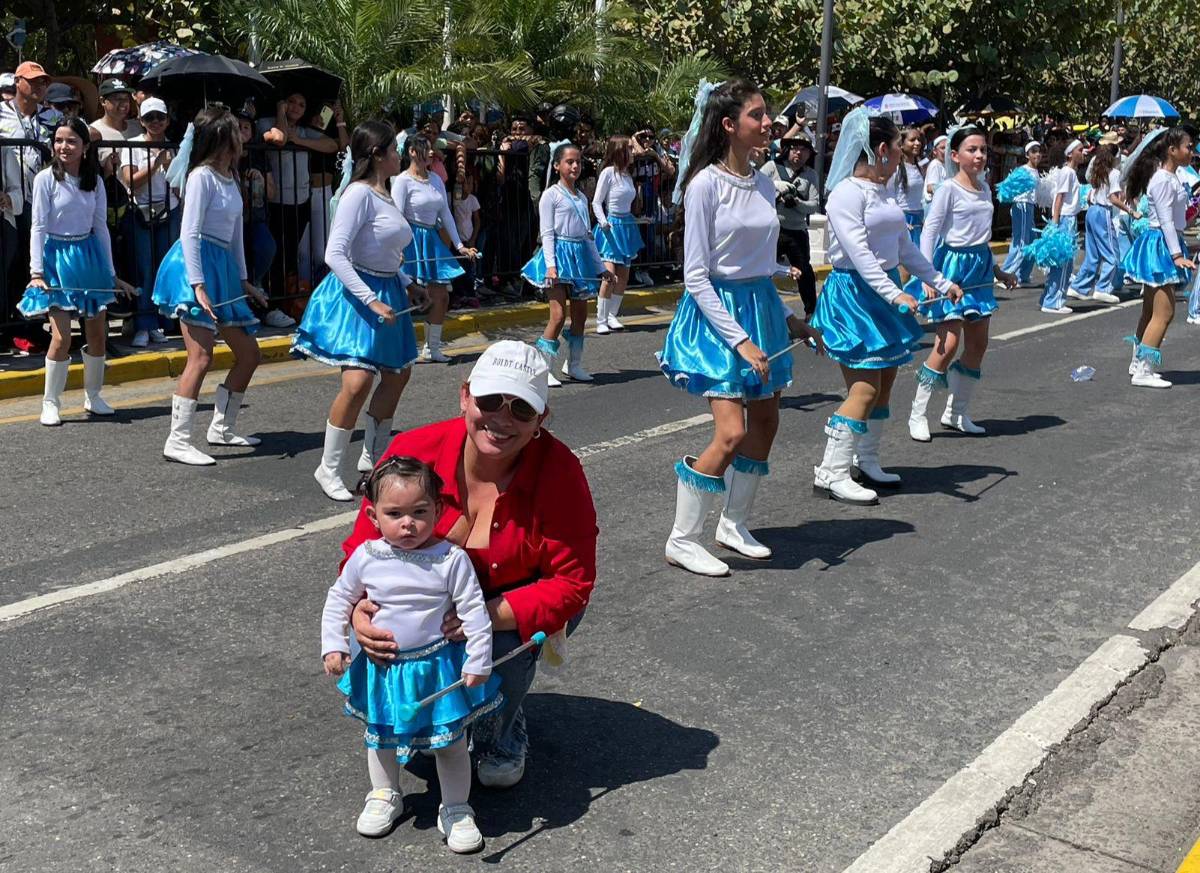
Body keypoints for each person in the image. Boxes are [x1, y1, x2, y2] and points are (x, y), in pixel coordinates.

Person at [343, 340, 597, 790]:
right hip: (424, 597)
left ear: (542, 419)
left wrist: (484, 614)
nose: (501, 418)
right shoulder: (413, 451)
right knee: (373, 636)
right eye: (490, 401)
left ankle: (502, 726)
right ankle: (428, 718)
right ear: (465, 396)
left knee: (496, 648)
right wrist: (359, 608)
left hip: (510, 599)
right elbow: (362, 548)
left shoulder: (560, 472)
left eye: (521, 409)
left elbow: (572, 582)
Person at [656, 79, 821, 577]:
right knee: (730, 432)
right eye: (757, 115)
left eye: (766, 113)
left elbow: (752, 258)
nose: (768, 122)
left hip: (762, 308)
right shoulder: (705, 183)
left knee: (767, 422)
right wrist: (742, 340)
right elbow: (698, 277)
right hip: (719, 316)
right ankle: (682, 538)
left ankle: (734, 522)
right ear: (729, 125)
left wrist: (788, 316)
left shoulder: (766, 180)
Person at [321, 457, 500, 853]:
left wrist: (478, 659)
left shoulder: (450, 559)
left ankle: (455, 806)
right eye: (394, 514)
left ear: (437, 510)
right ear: (372, 515)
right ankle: (384, 793)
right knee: (381, 736)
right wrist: (333, 643)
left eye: (420, 513)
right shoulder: (367, 557)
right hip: (385, 669)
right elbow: (340, 599)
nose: (408, 524)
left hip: (437, 666)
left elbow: (473, 611)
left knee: (450, 742)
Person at [812, 110, 960, 503]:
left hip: (884, 290)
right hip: (855, 296)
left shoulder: (884, 191)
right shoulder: (846, 193)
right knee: (863, 387)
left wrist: (939, 281)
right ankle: (831, 470)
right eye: (897, 148)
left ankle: (867, 458)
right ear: (881, 149)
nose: (902, 156)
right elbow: (859, 254)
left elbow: (904, 248)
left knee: (885, 382)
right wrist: (895, 294)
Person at [293, 121, 428, 501]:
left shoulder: (386, 194)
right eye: (394, 149)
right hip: (357, 294)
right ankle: (329, 467)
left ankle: (373, 457)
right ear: (377, 155)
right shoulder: (358, 194)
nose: (399, 155)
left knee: (397, 374)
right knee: (356, 383)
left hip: (389, 288)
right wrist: (371, 299)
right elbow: (334, 254)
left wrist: (407, 284)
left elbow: (387, 253)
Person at [152, 105, 269, 464]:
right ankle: (178, 438)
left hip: (223, 269)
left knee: (249, 354)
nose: (242, 136)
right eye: (236, 131)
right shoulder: (201, 177)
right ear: (222, 138)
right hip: (195, 264)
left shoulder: (231, 178)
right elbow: (189, 232)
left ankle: (221, 427)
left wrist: (245, 280)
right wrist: (197, 283)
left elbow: (235, 237)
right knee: (200, 357)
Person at [18, 116, 136, 425]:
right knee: (61, 338)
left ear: (85, 146)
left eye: (71, 140)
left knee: (97, 335)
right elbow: (38, 227)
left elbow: (101, 228)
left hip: (89, 258)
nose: (63, 146)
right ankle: (50, 402)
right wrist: (36, 272)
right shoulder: (45, 178)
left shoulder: (94, 180)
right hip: (56, 259)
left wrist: (111, 273)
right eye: (58, 140)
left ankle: (93, 396)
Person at [907, 126, 1016, 441]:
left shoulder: (985, 189)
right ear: (955, 156)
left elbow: (981, 239)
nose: (980, 155)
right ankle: (918, 413)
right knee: (948, 344)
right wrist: (928, 275)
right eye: (972, 149)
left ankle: (956, 412)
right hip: (952, 267)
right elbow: (930, 231)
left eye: (982, 149)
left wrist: (999, 273)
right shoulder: (947, 189)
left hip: (980, 268)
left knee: (979, 344)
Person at [522, 143, 614, 385]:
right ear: (557, 165)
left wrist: (600, 267)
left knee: (581, 315)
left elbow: (587, 235)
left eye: (578, 162)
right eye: (569, 162)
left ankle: (573, 364)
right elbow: (548, 233)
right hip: (558, 258)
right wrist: (551, 265)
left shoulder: (582, 198)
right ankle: (544, 368)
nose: (575, 166)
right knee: (558, 314)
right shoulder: (550, 196)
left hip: (579, 258)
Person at [1119, 127, 1195, 389]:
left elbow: (1179, 220)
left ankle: (1137, 362)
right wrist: (1176, 255)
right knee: (1165, 312)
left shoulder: (1172, 178)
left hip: (1165, 241)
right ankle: (1144, 369)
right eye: (1188, 146)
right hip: (1160, 245)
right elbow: (1164, 220)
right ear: (1172, 150)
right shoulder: (1162, 179)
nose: (1192, 151)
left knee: (1150, 311)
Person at [392, 133, 477, 363]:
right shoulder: (402, 181)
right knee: (403, 298)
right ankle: (398, 349)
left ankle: (432, 348)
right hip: (410, 240)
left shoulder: (436, 180)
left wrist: (460, 246)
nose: (431, 152)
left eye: (431, 148)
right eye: (426, 148)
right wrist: (398, 248)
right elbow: (397, 216)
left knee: (440, 296)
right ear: (411, 151)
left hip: (431, 239)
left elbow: (445, 214)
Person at [1, 61, 61, 355]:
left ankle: (31, 325)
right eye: (34, 81)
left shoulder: (52, 116)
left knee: (34, 265)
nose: (39, 87)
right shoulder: (0, 113)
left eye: (43, 82)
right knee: (11, 264)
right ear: (17, 82)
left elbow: (82, 133)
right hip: (12, 203)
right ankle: (10, 326)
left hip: (43, 200)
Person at [258, 93, 338, 300]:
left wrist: (300, 140)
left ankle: (289, 296)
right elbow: (280, 138)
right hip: (276, 201)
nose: (295, 107)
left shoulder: (304, 131)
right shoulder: (267, 123)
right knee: (275, 252)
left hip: (300, 200)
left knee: (291, 253)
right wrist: (280, 111)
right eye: (291, 102)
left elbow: (331, 145)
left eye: (301, 105)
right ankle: (272, 297)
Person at [119, 96, 177, 347]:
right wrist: (155, 164)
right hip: (140, 211)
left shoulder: (175, 147)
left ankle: (161, 323)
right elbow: (130, 180)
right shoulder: (131, 145)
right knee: (144, 269)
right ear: (141, 121)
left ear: (167, 120)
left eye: (160, 117)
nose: (155, 122)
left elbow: (179, 184)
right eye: (149, 117)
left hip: (169, 210)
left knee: (165, 268)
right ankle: (144, 323)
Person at [760, 136, 819, 318]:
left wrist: (797, 203)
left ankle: (811, 312)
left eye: (804, 150)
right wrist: (775, 190)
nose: (798, 153)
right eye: (795, 148)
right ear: (787, 150)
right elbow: (756, 188)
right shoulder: (771, 168)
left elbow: (814, 204)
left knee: (804, 271)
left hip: (796, 230)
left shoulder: (810, 174)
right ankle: (763, 310)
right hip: (772, 229)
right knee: (763, 271)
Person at [591, 134, 643, 335]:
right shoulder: (608, 173)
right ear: (619, 151)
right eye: (628, 148)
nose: (632, 152)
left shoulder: (628, 175)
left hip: (627, 225)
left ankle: (612, 315)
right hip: (611, 227)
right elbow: (596, 202)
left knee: (623, 276)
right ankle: (601, 319)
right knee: (609, 275)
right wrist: (603, 222)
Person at [1067, 135, 1127, 304]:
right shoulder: (1114, 173)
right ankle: (1103, 288)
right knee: (1112, 253)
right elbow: (1113, 198)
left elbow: (1090, 186)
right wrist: (1130, 211)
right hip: (1103, 212)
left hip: (1091, 211)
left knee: (1092, 254)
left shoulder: (1096, 167)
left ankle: (1078, 286)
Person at [1039, 139, 1087, 314]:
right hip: (1066, 219)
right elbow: (1059, 197)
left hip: (1068, 218)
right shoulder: (1068, 173)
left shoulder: (1070, 173)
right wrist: (1056, 221)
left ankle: (1049, 298)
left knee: (1062, 262)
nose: (1084, 153)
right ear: (1070, 154)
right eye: (1080, 150)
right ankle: (1053, 302)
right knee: (1064, 263)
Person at [997, 141, 1042, 287]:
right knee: (1021, 242)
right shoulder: (1022, 170)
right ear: (1027, 155)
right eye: (1033, 151)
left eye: (1039, 151)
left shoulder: (1035, 171)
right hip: (1021, 206)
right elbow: (1007, 188)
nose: (1037, 154)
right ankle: (1006, 275)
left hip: (1029, 207)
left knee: (1033, 242)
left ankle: (1023, 275)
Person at [89, 78, 140, 176]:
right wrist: (107, 170)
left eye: (126, 98)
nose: (124, 103)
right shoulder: (94, 132)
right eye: (117, 99)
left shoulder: (139, 127)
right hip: (110, 190)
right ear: (103, 101)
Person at [885, 126, 926, 247]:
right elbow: (889, 195)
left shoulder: (919, 167)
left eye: (919, 139)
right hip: (905, 220)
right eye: (912, 140)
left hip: (919, 219)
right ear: (902, 144)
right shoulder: (897, 169)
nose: (917, 143)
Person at [923, 134, 948, 203]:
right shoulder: (935, 164)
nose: (946, 151)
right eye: (942, 148)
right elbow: (930, 187)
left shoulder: (945, 165)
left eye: (947, 148)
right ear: (934, 151)